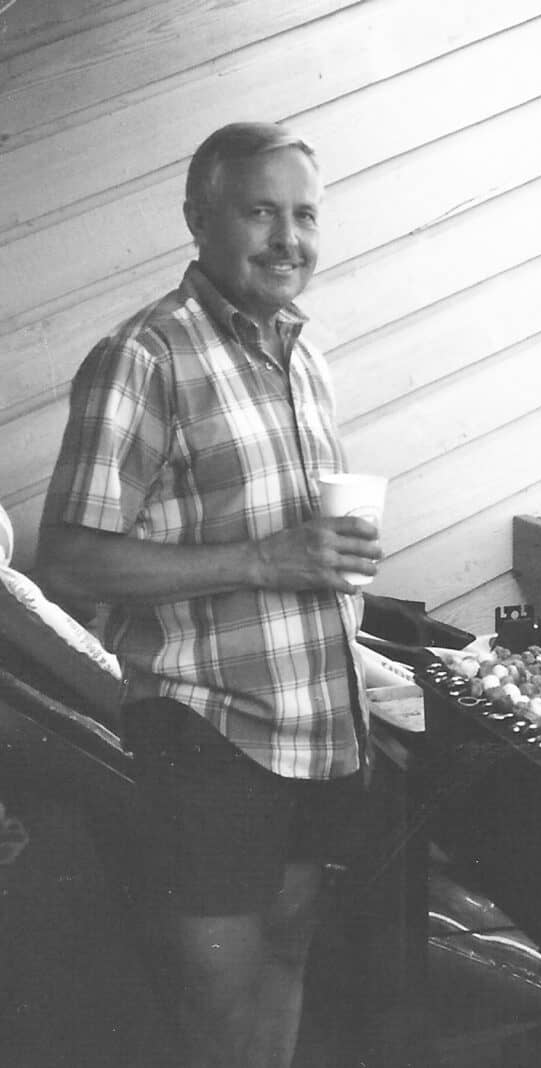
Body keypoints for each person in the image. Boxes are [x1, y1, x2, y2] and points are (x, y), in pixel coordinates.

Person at [36, 122, 382, 1068]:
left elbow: (299, 547)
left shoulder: (303, 359)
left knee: (288, 950)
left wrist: (323, 559)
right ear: (199, 219)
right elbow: (67, 560)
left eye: (305, 215)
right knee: (218, 992)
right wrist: (268, 560)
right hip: (209, 734)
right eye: (259, 212)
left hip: (311, 724)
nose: (288, 239)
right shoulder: (144, 356)